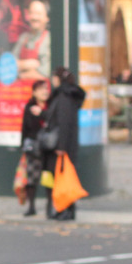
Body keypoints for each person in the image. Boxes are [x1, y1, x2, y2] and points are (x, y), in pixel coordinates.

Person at [43, 67, 85, 221]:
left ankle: (66, 209)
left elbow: (64, 122)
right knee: (64, 177)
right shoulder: (67, 96)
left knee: (64, 178)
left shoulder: (64, 97)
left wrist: (61, 146)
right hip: (67, 144)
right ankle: (63, 208)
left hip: (64, 145)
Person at [20, 79, 50, 217]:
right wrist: (24, 147)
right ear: (34, 93)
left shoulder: (51, 106)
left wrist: (43, 113)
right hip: (34, 148)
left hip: (49, 148)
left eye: (45, 88)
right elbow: (26, 128)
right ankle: (31, 206)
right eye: (40, 89)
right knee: (31, 178)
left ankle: (50, 205)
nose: (44, 91)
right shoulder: (30, 107)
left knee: (49, 177)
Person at [13, 0, 51, 81]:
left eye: (38, 13)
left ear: (47, 18)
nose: (34, 17)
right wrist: (30, 64)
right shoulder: (23, 38)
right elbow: (11, 66)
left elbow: (45, 73)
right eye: (31, 13)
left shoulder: (49, 39)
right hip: (19, 91)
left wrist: (21, 74)